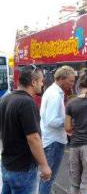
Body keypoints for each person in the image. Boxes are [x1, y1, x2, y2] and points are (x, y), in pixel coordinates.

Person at [0, 65, 52, 193]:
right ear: (33, 82)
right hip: (23, 170)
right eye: (41, 81)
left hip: (7, 165)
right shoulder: (27, 103)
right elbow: (33, 138)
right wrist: (44, 166)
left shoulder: (6, 99)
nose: (42, 84)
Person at [39, 65, 76, 194]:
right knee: (49, 178)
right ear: (61, 79)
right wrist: (69, 123)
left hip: (51, 140)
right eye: (70, 81)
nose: (72, 84)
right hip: (54, 142)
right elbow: (51, 120)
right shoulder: (55, 95)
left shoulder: (53, 91)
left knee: (47, 178)